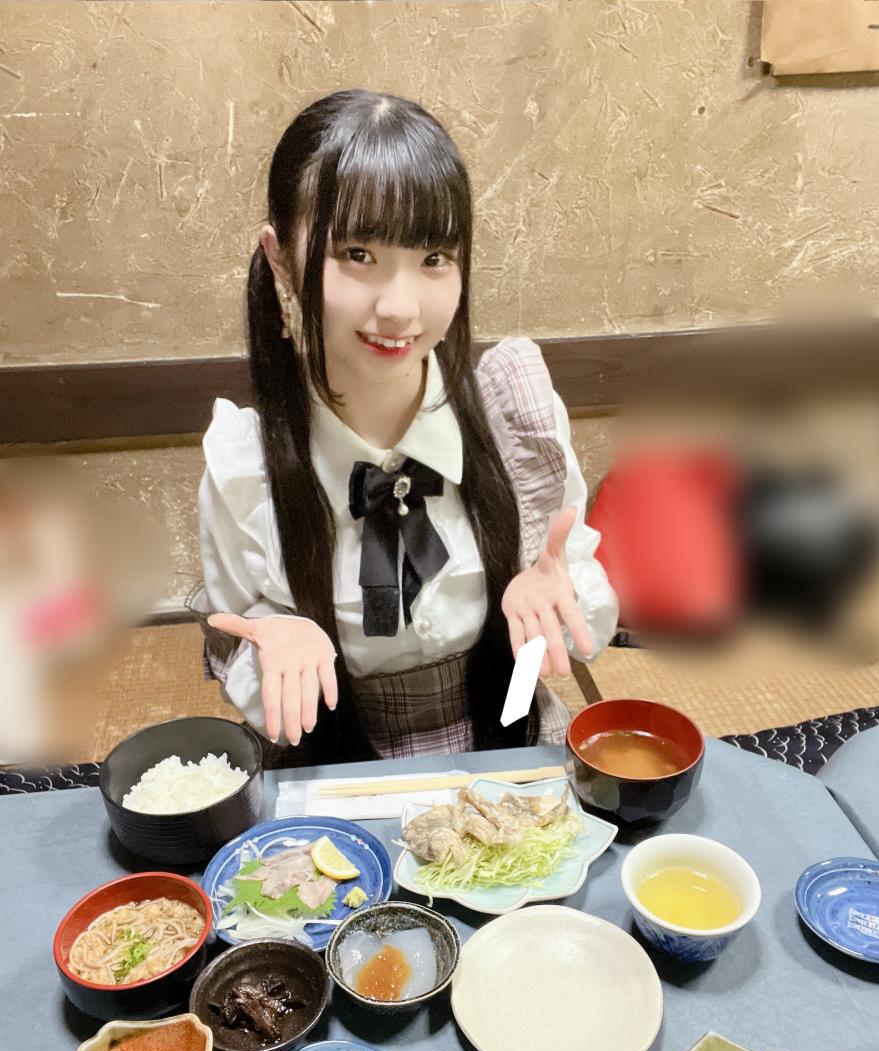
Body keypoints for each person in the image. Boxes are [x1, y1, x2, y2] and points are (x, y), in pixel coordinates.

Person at [193, 89, 617, 766]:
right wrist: (279, 641)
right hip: (335, 773)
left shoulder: (513, 420)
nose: (399, 307)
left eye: (434, 258)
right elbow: (252, 657)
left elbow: (563, 639)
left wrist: (543, 620)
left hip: (503, 758)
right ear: (280, 259)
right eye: (357, 253)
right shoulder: (248, 468)